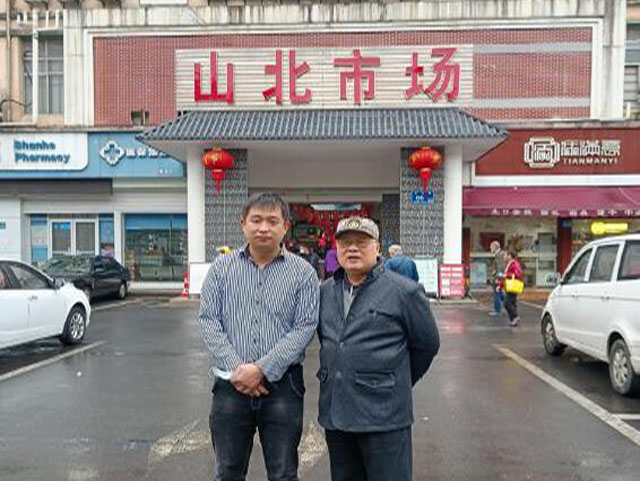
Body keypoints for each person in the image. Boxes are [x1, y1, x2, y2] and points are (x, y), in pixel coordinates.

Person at [198, 192, 320, 481]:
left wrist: (261, 369)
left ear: (285, 227)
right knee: (227, 472)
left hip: (283, 386)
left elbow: (305, 326)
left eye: (272, 221)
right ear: (243, 223)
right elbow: (208, 319)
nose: (264, 228)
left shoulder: (303, 273)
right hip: (230, 386)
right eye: (256, 220)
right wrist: (239, 369)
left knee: (283, 473)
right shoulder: (221, 268)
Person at [317, 216, 440, 481]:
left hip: (384, 417)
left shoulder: (404, 292)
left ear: (377, 247)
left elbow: (427, 345)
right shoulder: (325, 291)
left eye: (361, 242)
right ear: (336, 249)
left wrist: (394, 380)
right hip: (337, 416)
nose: (352, 248)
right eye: (345, 243)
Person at [503, 250, 522, 327]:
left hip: (512, 286)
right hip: (509, 285)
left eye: (505, 255)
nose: (504, 257)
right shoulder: (509, 264)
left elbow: (518, 273)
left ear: (510, 256)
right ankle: (513, 320)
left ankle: (515, 316)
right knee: (512, 303)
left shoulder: (514, 264)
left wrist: (507, 275)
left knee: (507, 303)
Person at [488, 241, 508, 316]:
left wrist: (497, 277)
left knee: (497, 294)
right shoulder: (501, 254)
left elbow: (500, 267)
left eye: (491, 247)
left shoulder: (499, 255)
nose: (490, 249)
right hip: (501, 277)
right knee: (500, 293)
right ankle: (509, 305)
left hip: (499, 277)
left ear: (495, 247)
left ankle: (497, 310)